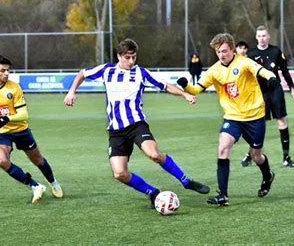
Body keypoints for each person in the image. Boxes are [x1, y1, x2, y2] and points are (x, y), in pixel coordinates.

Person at [64, 38, 210, 209]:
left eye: (134, 57)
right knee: (119, 173)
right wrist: (71, 91)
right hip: (116, 130)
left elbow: (165, 85)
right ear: (119, 56)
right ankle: (153, 193)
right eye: (127, 57)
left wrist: (185, 95)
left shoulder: (140, 73)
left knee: (154, 154)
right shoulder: (106, 70)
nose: (131, 61)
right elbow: (82, 73)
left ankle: (186, 181)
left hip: (136, 124)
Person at [177, 33, 278, 206]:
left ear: (232, 49)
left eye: (224, 51)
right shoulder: (214, 71)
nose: (221, 55)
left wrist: (272, 78)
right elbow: (195, 90)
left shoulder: (244, 62)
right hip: (232, 117)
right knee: (223, 148)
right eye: (218, 52)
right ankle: (223, 195)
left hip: (254, 117)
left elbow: (261, 71)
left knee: (256, 156)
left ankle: (267, 176)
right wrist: (185, 85)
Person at [0, 54, 63, 203]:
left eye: (8, 71)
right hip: (0, 132)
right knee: (1, 160)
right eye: (3, 70)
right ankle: (35, 186)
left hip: (21, 130)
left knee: (38, 160)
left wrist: (7, 118)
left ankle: (53, 182)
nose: (6, 73)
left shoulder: (14, 88)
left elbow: (24, 114)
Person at [241, 26, 294, 168]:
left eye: (264, 36)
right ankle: (250, 154)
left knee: (282, 121)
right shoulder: (251, 54)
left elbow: (285, 71)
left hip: (275, 91)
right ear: (256, 37)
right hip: (259, 92)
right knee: (257, 124)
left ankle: (286, 158)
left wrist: (292, 88)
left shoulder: (276, 51)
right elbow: (245, 75)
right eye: (259, 36)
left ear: (268, 37)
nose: (261, 38)